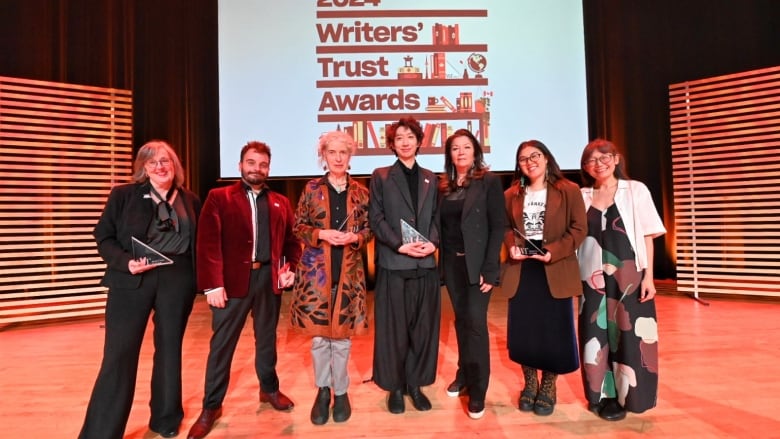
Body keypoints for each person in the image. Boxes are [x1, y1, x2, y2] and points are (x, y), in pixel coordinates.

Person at [79, 140, 201, 439]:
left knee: (169, 351)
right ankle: (101, 432)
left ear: (175, 166)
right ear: (143, 168)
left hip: (177, 279)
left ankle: (166, 420)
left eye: (165, 161)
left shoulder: (190, 199)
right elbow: (103, 236)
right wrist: (126, 262)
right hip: (132, 279)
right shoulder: (123, 195)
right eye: (152, 162)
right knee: (119, 353)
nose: (160, 167)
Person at [186, 141, 302, 439]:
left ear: (268, 168)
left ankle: (269, 389)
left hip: (267, 281)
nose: (257, 168)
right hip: (231, 283)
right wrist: (212, 284)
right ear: (240, 166)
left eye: (262, 164)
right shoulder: (218, 197)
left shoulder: (280, 202)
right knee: (222, 347)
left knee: (266, 342)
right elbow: (207, 243)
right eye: (251, 163)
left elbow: (290, 241)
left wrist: (290, 268)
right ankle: (211, 406)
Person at [577, 138, 666, 421]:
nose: (599, 164)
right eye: (592, 160)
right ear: (586, 167)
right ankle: (603, 397)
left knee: (632, 333)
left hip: (631, 274)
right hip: (591, 278)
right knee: (595, 336)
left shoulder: (635, 190)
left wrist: (649, 276)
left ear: (616, 159)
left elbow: (648, 236)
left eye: (605, 158)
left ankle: (635, 395)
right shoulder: (582, 195)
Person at [289, 130, 373, 425]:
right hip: (316, 274)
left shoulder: (362, 192)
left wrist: (356, 237)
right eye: (332, 152)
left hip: (349, 271)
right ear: (323, 156)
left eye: (343, 153)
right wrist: (320, 233)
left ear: (350, 157)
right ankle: (323, 391)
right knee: (320, 339)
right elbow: (298, 225)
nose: (338, 158)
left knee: (343, 340)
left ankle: (342, 391)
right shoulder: (311, 188)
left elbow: (369, 230)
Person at [503, 140, 587, 416]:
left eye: (535, 155)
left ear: (547, 158)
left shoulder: (568, 190)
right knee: (525, 329)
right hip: (523, 268)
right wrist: (511, 245)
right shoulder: (510, 194)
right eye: (523, 158)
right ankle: (529, 383)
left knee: (553, 329)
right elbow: (505, 228)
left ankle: (549, 385)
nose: (530, 162)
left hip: (555, 266)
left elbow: (579, 229)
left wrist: (553, 251)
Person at [369, 116, 440, 414]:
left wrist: (433, 241)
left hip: (425, 265)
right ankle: (395, 387)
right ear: (392, 144)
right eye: (399, 138)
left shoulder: (431, 177)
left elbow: (437, 217)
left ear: (419, 141)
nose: (405, 142)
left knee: (423, 329)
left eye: (410, 136)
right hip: (394, 263)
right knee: (393, 330)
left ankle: (415, 384)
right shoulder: (381, 175)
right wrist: (399, 244)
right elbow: (376, 218)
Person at [437, 129, 505, 420]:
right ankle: (464, 374)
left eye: (466, 147)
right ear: (449, 155)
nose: (461, 152)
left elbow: (497, 226)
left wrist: (491, 268)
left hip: (479, 267)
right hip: (452, 265)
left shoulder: (488, 182)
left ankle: (478, 390)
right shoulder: (444, 186)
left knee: (476, 325)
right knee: (462, 321)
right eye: (455, 148)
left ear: (476, 152)